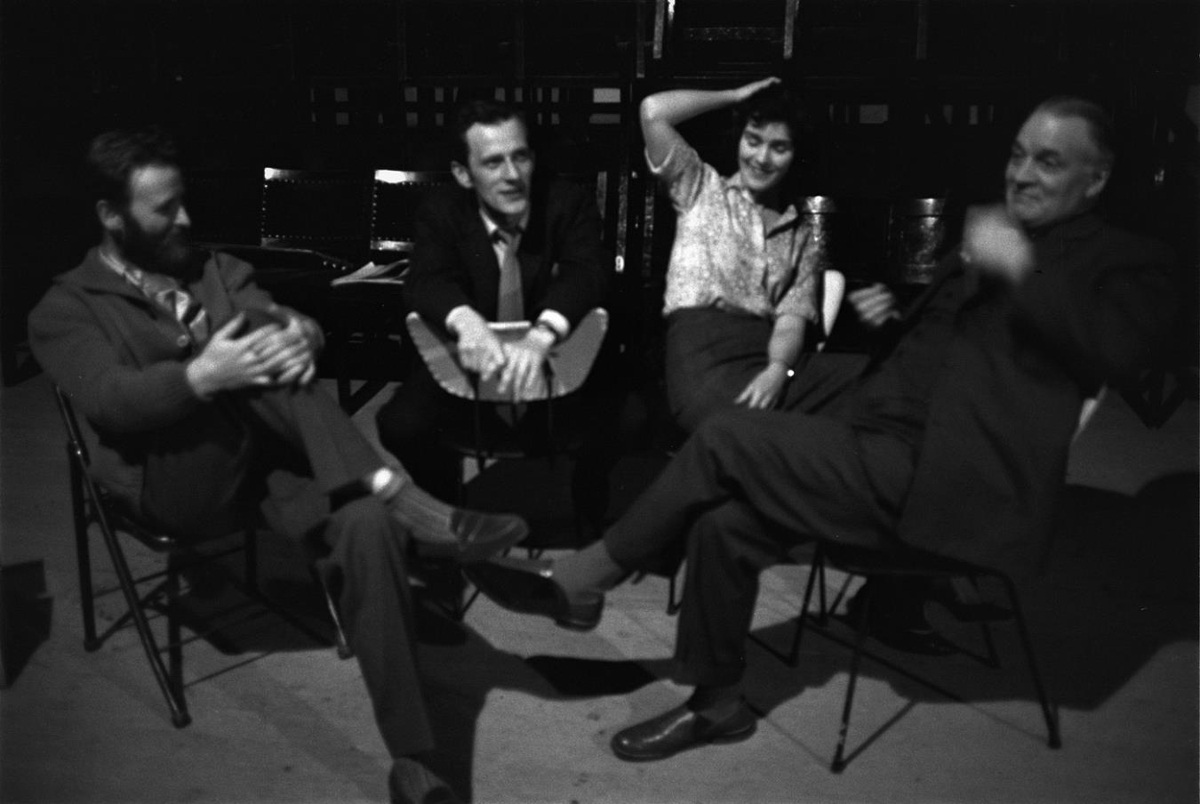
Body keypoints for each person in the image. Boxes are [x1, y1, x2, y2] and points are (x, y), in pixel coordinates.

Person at [465, 97, 1179, 760]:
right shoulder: (1002, 236)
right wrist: (891, 316)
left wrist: (1018, 267)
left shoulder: (1125, 262)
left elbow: (1121, 351)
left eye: (1047, 162)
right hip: (879, 437)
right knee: (724, 523)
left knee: (727, 437)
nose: (1020, 174)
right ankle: (716, 704)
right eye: (1018, 155)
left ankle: (587, 575)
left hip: (944, 475)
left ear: (1096, 179)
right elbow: (946, 350)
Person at [28, 126, 531, 804]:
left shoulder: (211, 268)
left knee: (364, 523)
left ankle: (413, 760)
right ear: (111, 216)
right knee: (250, 356)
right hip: (172, 481)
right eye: (164, 209)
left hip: (261, 468)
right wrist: (203, 375)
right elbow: (113, 401)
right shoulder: (64, 309)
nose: (186, 219)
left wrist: (304, 333)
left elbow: (277, 317)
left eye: (184, 201)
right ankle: (405, 498)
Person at [374, 99, 617, 532]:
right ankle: (449, 506)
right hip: (470, 367)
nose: (512, 174)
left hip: (553, 364)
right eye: (492, 162)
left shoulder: (566, 203)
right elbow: (426, 281)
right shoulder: (441, 211)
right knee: (400, 425)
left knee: (628, 416)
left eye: (520, 157)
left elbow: (588, 272)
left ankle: (588, 507)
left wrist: (543, 334)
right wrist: (467, 322)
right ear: (463, 174)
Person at [641, 77, 858, 433]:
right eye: (753, 140)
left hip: (769, 364)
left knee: (873, 382)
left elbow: (790, 322)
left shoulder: (798, 236)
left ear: (795, 155)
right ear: (739, 139)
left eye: (778, 147)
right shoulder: (700, 188)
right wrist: (735, 96)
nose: (761, 158)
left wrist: (778, 370)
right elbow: (653, 112)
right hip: (702, 364)